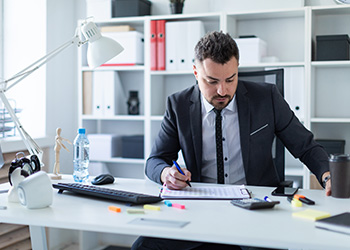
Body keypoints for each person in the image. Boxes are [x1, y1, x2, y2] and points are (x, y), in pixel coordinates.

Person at [132, 31, 331, 250]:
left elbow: (306, 146)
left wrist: (327, 175)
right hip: (199, 208)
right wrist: (165, 173)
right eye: (212, 81)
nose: (222, 91)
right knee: (144, 246)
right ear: (196, 72)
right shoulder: (178, 105)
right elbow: (155, 160)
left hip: (256, 208)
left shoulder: (267, 98)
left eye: (230, 79)